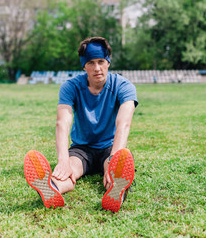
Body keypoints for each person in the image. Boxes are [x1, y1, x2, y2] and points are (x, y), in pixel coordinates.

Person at [24, 37, 138, 212]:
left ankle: (117, 190)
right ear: (84, 66)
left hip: (110, 147)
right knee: (67, 171)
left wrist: (114, 159)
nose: (97, 68)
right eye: (91, 63)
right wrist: (62, 161)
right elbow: (62, 122)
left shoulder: (124, 86)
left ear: (108, 61)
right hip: (81, 149)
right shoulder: (70, 87)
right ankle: (52, 188)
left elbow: (124, 124)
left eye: (101, 61)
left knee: (114, 174)